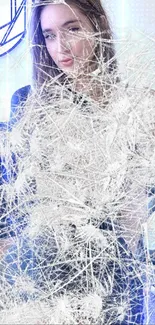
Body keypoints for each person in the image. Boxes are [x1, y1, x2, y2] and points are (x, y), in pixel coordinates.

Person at [0, 1, 144, 324]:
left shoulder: (131, 108)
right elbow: (12, 195)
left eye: (72, 29)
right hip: (47, 274)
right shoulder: (28, 103)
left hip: (114, 276)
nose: (60, 47)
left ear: (97, 26)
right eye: (49, 35)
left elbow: (137, 205)